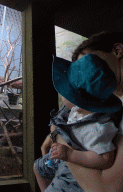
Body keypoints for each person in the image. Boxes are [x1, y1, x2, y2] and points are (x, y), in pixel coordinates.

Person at [35, 31, 123, 192]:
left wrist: (58, 135)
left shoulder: (103, 109)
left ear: (117, 51)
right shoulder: (92, 100)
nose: (83, 76)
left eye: (89, 63)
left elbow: (106, 187)